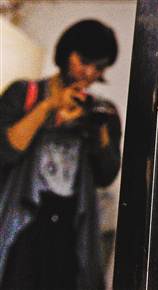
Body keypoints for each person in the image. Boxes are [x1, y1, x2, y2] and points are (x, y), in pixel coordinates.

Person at [0, 19, 122, 290]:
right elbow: (5, 152)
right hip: (22, 218)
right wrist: (49, 107)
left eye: (99, 67)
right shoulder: (24, 94)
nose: (89, 73)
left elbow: (107, 175)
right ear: (66, 52)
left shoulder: (102, 111)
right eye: (84, 61)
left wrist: (98, 129)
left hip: (71, 225)